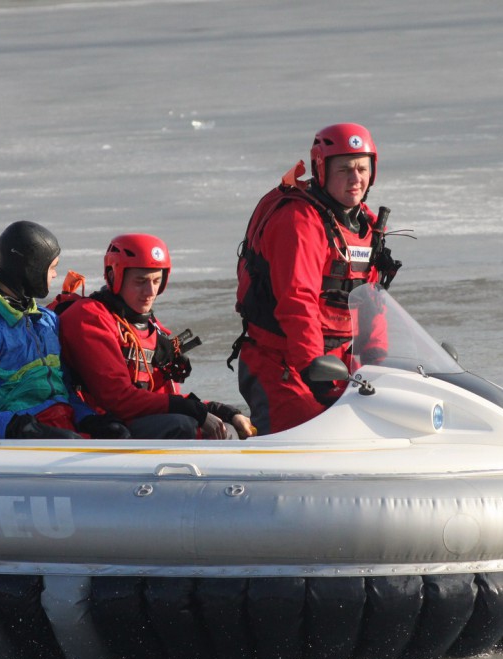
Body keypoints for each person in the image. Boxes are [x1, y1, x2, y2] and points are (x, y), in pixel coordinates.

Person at [231, 122, 400, 435]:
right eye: (344, 169)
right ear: (321, 170)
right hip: (285, 365)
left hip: (337, 364)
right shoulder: (299, 222)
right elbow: (298, 300)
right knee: (312, 432)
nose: (355, 179)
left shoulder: (367, 227)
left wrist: (379, 367)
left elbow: (372, 303)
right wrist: (312, 370)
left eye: (362, 169)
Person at [0, 220, 129, 440]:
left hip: (62, 428)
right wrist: (24, 430)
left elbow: (64, 390)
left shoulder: (46, 321)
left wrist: (88, 418)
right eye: (52, 267)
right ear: (31, 268)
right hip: (15, 446)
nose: (55, 275)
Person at [58, 233, 254, 440]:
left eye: (156, 281)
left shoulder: (148, 326)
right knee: (183, 426)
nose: (150, 291)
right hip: (100, 425)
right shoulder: (90, 318)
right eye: (140, 281)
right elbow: (119, 400)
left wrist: (218, 410)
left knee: (228, 427)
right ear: (114, 276)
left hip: (131, 417)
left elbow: (160, 398)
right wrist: (195, 411)